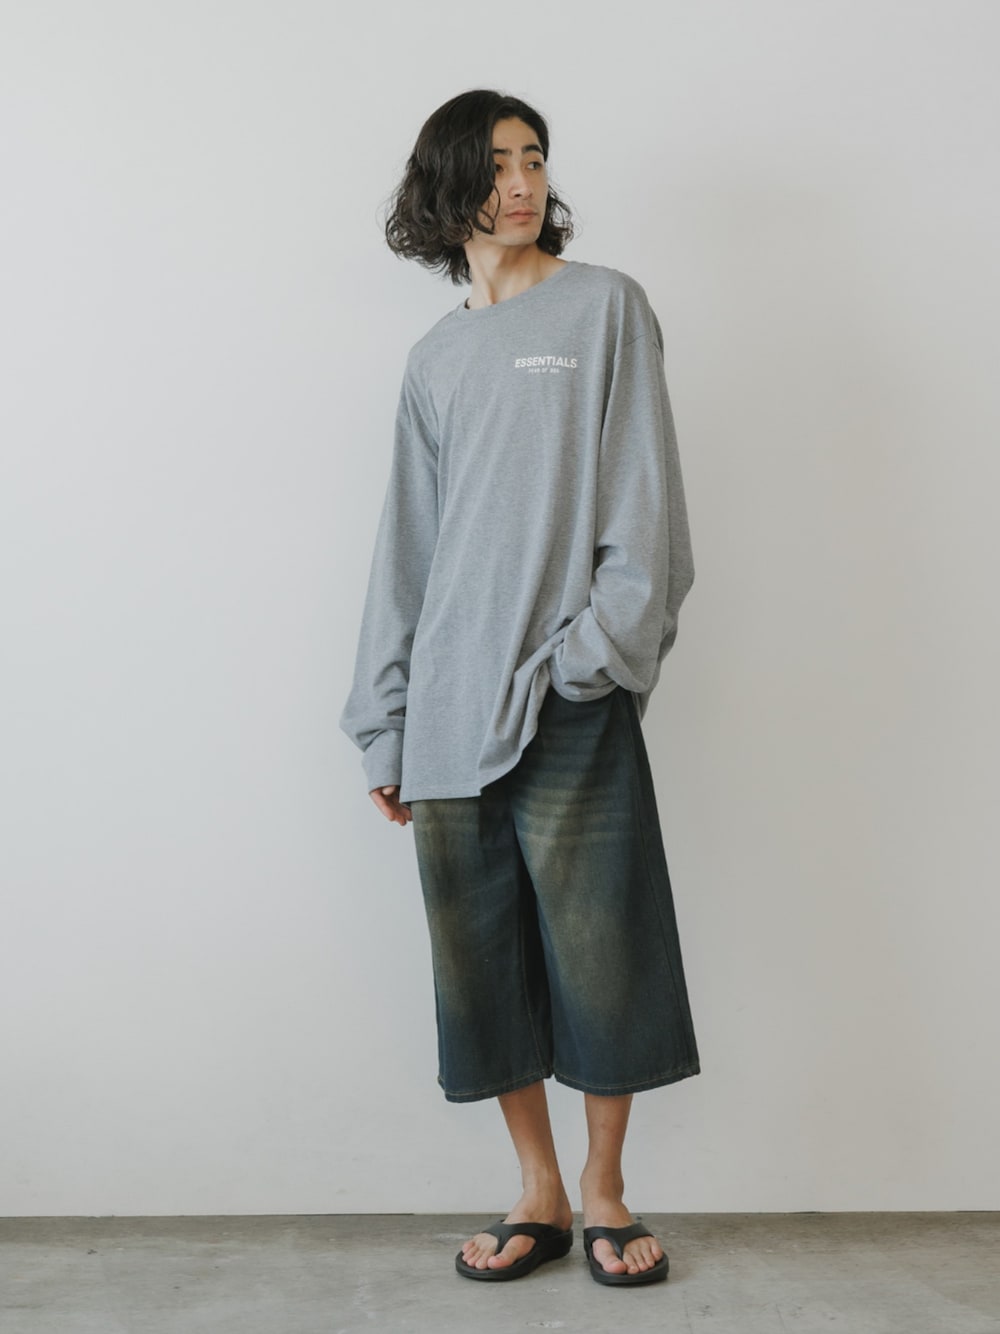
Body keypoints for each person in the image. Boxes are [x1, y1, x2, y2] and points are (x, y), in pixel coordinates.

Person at [340, 89, 700, 1287]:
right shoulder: (435, 357)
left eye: (534, 157)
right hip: (447, 714)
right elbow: (407, 550)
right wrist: (387, 719)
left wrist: (588, 661)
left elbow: (647, 514)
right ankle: (537, 1188)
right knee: (481, 966)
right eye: (495, 162)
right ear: (446, 186)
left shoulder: (603, 307)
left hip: (567, 695)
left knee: (605, 952)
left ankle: (604, 1189)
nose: (522, 181)